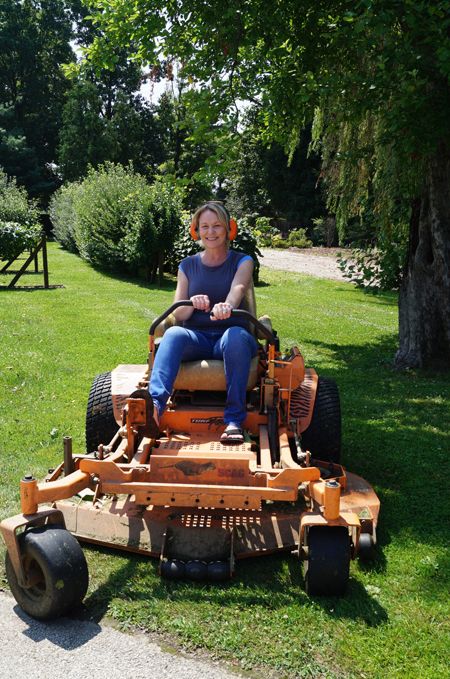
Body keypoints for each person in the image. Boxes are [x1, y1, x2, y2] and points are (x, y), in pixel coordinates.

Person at [148, 201, 258, 444]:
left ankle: (234, 420)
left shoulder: (243, 261)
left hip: (232, 337)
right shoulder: (187, 265)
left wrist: (227, 305)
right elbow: (180, 315)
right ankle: (153, 408)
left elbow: (238, 288)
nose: (211, 232)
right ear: (196, 230)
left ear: (229, 228)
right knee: (173, 334)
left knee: (235, 336)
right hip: (196, 338)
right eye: (205, 226)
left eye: (217, 225)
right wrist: (191, 302)